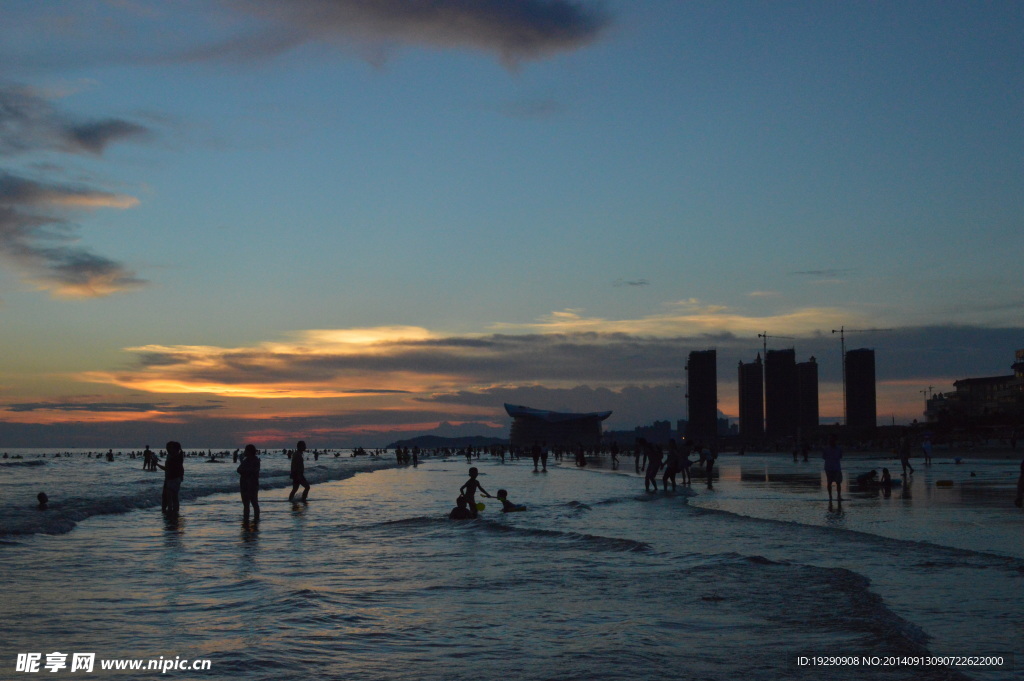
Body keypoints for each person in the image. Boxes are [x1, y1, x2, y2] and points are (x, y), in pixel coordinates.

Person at [155, 441, 185, 514]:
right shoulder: (178, 456)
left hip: (171, 479)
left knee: (169, 498)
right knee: (174, 497)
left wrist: (157, 465)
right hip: (175, 479)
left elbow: (168, 469)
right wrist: (181, 476)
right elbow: (181, 468)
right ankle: (175, 513)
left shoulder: (173, 457)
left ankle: (170, 513)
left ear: (174, 448)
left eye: (169, 447)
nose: (167, 449)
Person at [237, 444, 261, 520]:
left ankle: (256, 520)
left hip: (252, 485)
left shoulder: (255, 460)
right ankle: (246, 520)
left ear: (249, 451)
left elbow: (252, 471)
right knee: (246, 505)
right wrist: (242, 461)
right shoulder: (246, 460)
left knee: (254, 503)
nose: (244, 452)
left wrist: (243, 465)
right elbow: (239, 470)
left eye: (246, 450)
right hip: (245, 485)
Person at [822, 434, 843, 503]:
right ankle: (830, 496)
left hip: (836, 467)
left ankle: (839, 496)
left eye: (832, 440)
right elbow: (824, 457)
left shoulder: (839, 448)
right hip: (829, 468)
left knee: (838, 482)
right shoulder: (826, 448)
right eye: (830, 440)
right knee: (829, 482)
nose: (831, 441)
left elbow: (840, 456)